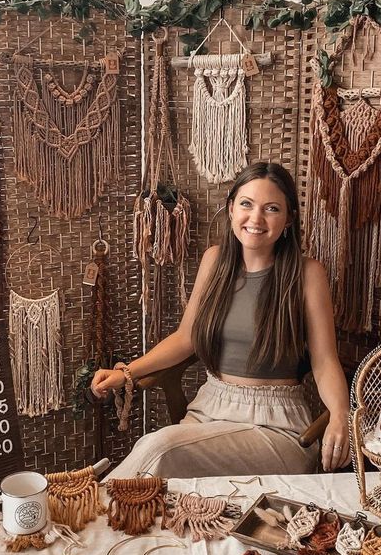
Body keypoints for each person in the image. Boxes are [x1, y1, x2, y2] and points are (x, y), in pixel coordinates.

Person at [92, 161, 351, 478]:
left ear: (288, 220)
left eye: (271, 208)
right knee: (165, 470)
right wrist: (127, 373)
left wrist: (340, 414)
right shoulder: (214, 260)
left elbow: (325, 361)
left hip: (277, 426)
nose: (255, 218)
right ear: (231, 209)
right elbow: (186, 338)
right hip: (210, 410)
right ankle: (103, 513)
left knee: (158, 450)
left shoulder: (308, 274)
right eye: (246, 204)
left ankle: (92, 508)